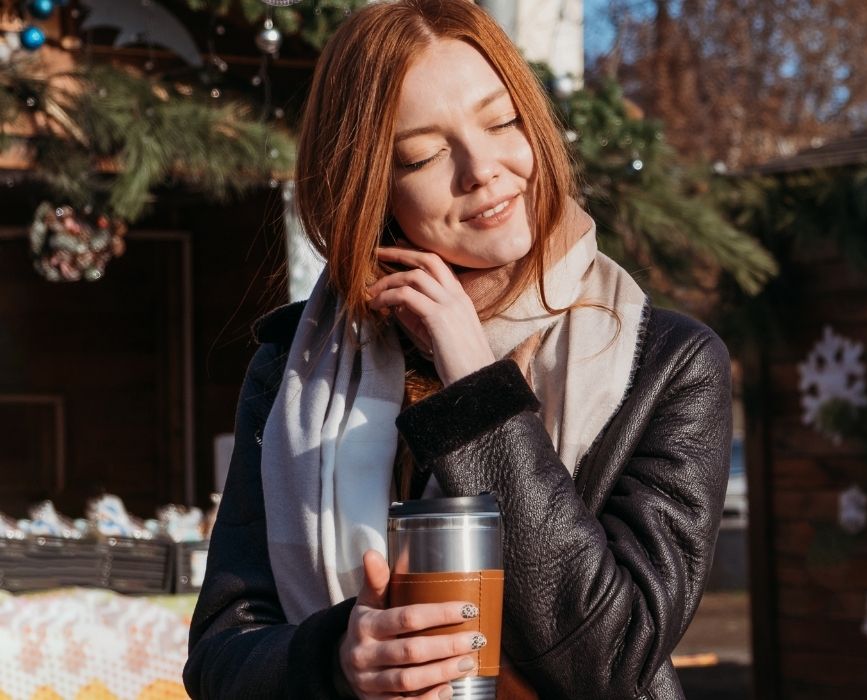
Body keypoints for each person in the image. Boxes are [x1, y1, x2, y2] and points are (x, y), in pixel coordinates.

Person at [183, 0, 733, 697]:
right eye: (424, 155)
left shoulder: (667, 365)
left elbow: (607, 657)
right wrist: (338, 660)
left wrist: (475, 385)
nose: (482, 168)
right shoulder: (294, 369)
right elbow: (221, 656)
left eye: (501, 121)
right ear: (372, 187)